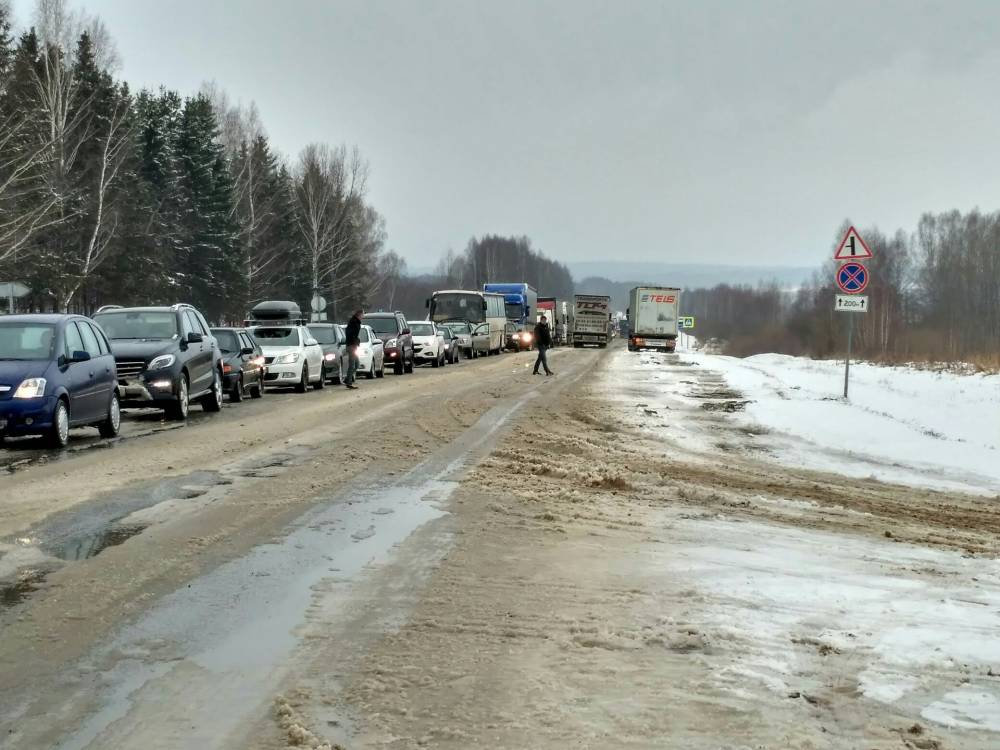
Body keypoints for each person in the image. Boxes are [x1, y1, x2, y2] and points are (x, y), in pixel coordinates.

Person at [344, 308, 363, 389]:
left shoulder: (356, 322)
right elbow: (349, 333)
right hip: (351, 346)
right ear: (359, 315)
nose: (363, 316)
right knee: (352, 365)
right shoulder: (353, 322)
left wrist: (356, 339)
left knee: (357, 364)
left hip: (353, 345)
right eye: (362, 314)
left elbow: (353, 334)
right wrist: (354, 340)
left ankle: (347, 379)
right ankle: (349, 383)